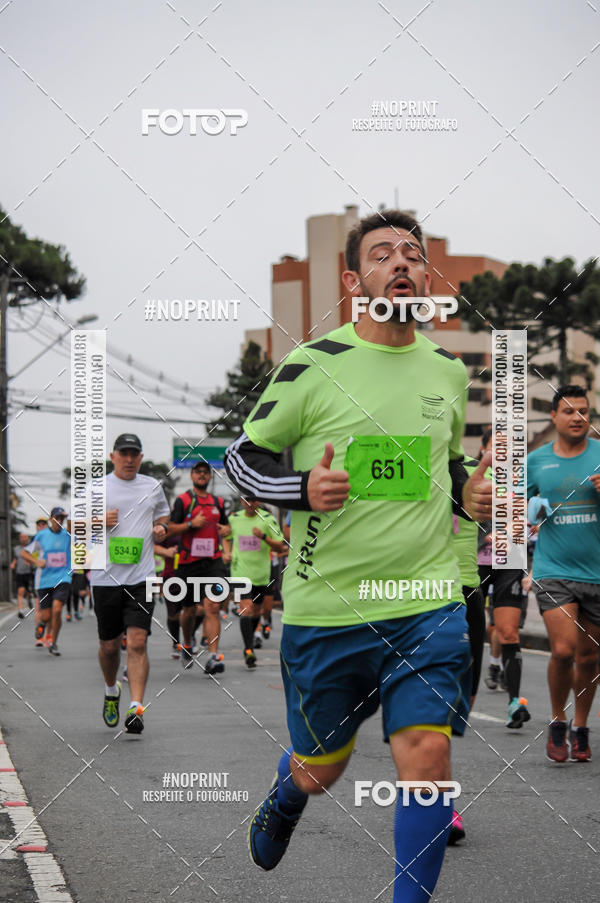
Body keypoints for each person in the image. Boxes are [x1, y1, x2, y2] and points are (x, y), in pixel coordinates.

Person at [224, 209, 492, 902]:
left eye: (412, 254)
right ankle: (287, 794)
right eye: (382, 254)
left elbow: (446, 470)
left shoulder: (447, 371)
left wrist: (472, 494)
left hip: (427, 600)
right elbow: (243, 458)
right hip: (329, 607)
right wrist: (302, 489)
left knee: (428, 753)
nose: (401, 262)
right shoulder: (314, 365)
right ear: (353, 281)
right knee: (321, 769)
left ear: (426, 277)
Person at [527, 385, 600, 762]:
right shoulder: (536, 461)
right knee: (563, 649)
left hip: (597, 573)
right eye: (569, 411)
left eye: (583, 411)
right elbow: (515, 508)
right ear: (554, 416)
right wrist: (516, 525)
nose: (577, 417)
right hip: (553, 569)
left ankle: (581, 726)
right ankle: (558, 719)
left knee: (589, 658)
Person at [90, 434, 170, 734]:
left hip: (142, 578)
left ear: (141, 457)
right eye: (123, 453)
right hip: (105, 579)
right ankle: (112, 690)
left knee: (137, 642)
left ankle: (136, 708)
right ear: (113, 456)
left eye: (134, 454)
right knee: (109, 647)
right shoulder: (96, 488)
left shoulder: (152, 486)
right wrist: (98, 521)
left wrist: (161, 526)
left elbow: (164, 513)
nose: (129, 459)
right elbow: (70, 524)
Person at [476, 429, 530, 727]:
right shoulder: (468, 473)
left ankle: (514, 703)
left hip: (509, 562)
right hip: (474, 562)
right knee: (467, 630)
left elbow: (528, 519)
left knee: (508, 632)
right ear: (483, 448)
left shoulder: (521, 481)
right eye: (496, 447)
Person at [447, 457, 487, 846]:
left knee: (460, 703)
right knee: (430, 703)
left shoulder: (479, 470)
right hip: (420, 595)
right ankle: (440, 802)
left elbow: (511, 522)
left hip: (469, 592)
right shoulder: (407, 461)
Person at [167, 461, 230, 674]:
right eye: (198, 472)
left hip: (213, 561)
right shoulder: (183, 501)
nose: (202, 475)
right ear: (192, 476)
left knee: (212, 606)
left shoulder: (218, 502)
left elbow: (226, 526)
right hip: (188, 562)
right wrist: (190, 524)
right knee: (189, 610)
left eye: (205, 472)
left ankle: (213, 656)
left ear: (210, 477)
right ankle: (187, 643)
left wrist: (226, 530)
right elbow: (170, 529)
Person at [222, 497, 285, 667]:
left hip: (261, 574)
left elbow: (280, 546)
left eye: (254, 500)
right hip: (240, 573)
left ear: (259, 501)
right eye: (247, 500)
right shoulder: (234, 518)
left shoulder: (268, 519)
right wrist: (226, 552)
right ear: (242, 501)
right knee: (246, 609)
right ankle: (249, 650)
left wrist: (263, 537)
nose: (250, 504)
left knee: (256, 611)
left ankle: (250, 643)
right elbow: (225, 536)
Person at [21, 508, 71, 656]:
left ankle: (53, 643)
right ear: (51, 519)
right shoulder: (41, 535)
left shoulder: (68, 535)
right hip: (44, 580)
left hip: (63, 578)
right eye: (57, 517)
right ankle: (42, 623)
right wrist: (37, 562)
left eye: (62, 518)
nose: (60, 521)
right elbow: (24, 553)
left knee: (57, 610)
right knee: (46, 615)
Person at [11, 532, 34, 618]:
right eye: (21, 537)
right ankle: (20, 611)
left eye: (25, 537)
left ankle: (29, 599)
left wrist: (30, 562)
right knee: (20, 591)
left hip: (29, 573)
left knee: (29, 592)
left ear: (27, 538)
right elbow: (15, 558)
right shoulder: (16, 549)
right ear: (20, 539)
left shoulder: (31, 548)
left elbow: (36, 558)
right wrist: (13, 564)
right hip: (19, 573)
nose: (23, 539)